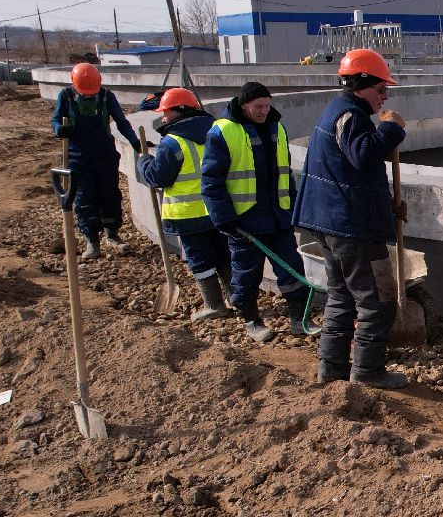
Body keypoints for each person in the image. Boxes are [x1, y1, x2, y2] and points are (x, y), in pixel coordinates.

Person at [290, 49, 409, 388]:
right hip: (351, 228)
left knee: (341, 296)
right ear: (361, 85)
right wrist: (390, 129)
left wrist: (388, 206)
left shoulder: (337, 111)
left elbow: (351, 174)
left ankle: (332, 368)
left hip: (333, 224)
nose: (384, 96)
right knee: (378, 302)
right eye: (380, 89)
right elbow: (364, 154)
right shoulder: (350, 116)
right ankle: (368, 373)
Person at [203, 82, 316, 344]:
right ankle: (252, 321)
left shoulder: (277, 128)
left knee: (291, 268)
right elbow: (211, 180)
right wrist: (224, 219)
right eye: (258, 107)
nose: (264, 111)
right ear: (244, 106)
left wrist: (294, 206)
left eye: (267, 105)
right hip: (245, 221)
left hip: (278, 218)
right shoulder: (223, 132)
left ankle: (300, 319)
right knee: (246, 273)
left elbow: (285, 174)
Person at [134, 88, 231, 321]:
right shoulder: (217, 133)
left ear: (179, 111)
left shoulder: (172, 143)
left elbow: (159, 178)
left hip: (187, 215)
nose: (163, 118)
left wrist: (144, 162)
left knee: (200, 259)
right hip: (218, 211)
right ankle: (236, 298)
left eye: (166, 112)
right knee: (223, 255)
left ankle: (214, 305)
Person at [51, 62, 140, 259]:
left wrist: (136, 142)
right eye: (85, 92)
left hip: (104, 154)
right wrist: (59, 130)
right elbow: (55, 121)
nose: (89, 95)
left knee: (110, 195)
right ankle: (92, 241)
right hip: (78, 156)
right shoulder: (66, 96)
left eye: (92, 91)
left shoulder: (107, 96)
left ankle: (112, 234)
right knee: (84, 199)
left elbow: (121, 122)